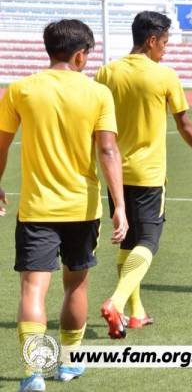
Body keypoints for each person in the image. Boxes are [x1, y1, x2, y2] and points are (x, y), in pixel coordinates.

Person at [0, 19, 127, 392]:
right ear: (79, 54)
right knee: (76, 287)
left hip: (38, 209)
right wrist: (119, 205)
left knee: (33, 291)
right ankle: (69, 364)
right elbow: (108, 150)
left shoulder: (20, 89)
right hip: (83, 209)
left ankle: (33, 373)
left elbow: (2, 144)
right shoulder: (98, 93)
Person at [96, 11, 192, 339]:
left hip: (116, 171)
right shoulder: (164, 76)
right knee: (148, 242)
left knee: (128, 240)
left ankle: (137, 313)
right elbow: (184, 123)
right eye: (164, 42)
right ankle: (117, 302)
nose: (166, 49)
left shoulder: (106, 72)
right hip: (149, 174)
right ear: (151, 40)